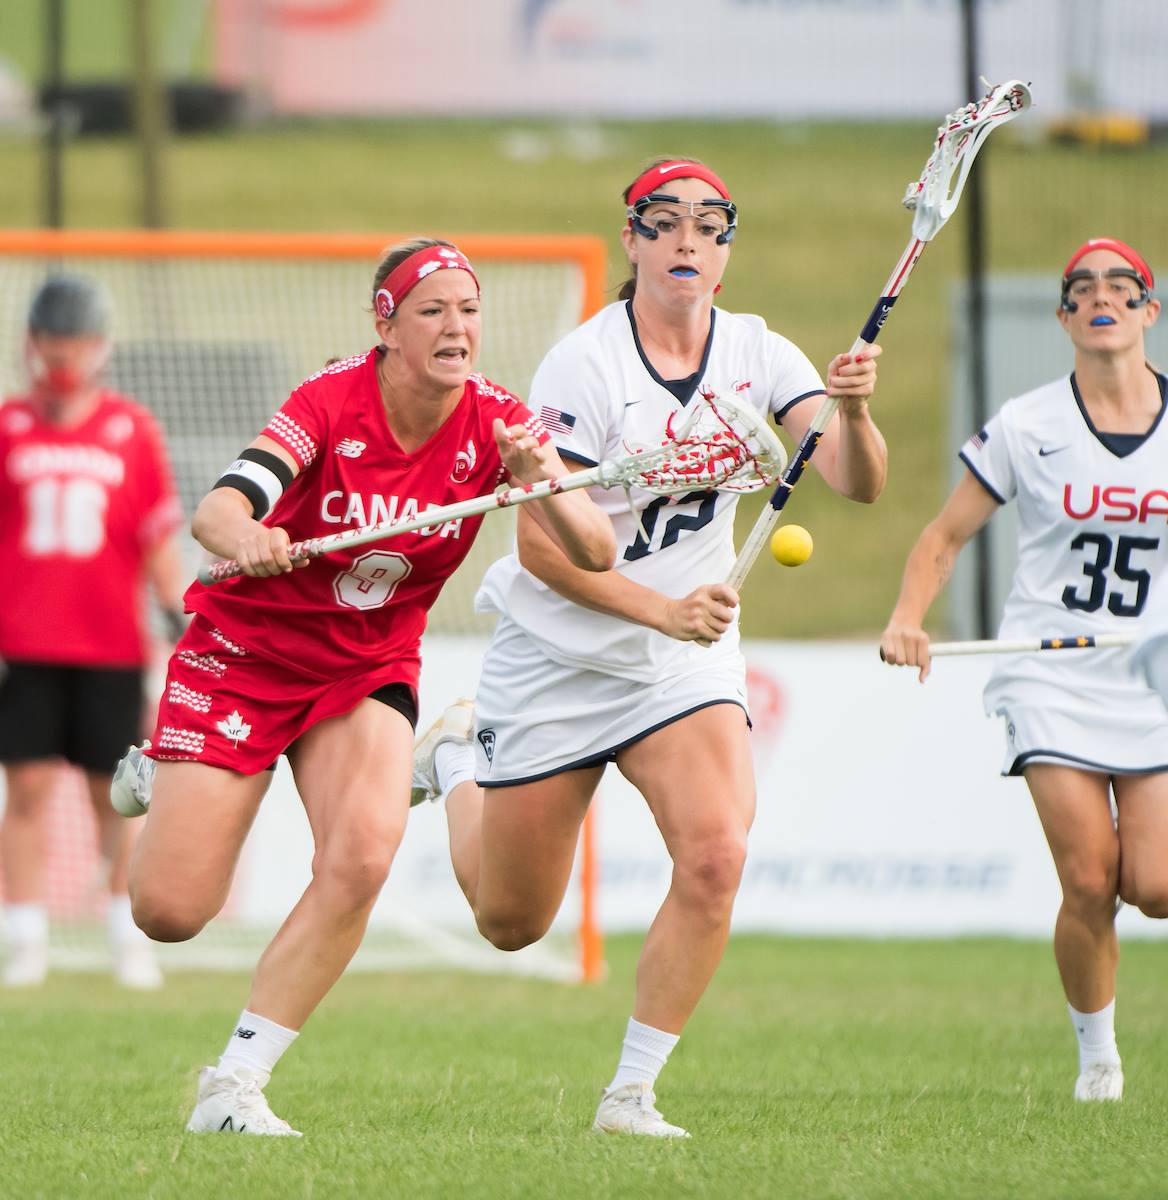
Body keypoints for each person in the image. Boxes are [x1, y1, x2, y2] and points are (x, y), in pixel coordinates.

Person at [411, 159, 887, 1137]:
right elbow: (539, 546)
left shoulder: (762, 352)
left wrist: (851, 408)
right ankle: (455, 757)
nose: (685, 240)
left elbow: (857, 481)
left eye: (708, 226)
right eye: (662, 223)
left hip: (682, 665)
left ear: (724, 249)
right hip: (561, 651)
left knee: (715, 855)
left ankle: (631, 1093)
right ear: (630, 241)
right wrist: (650, 609)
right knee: (510, 923)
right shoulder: (583, 366)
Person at [108, 238, 614, 1137]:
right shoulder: (327, 401)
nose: (457, 328)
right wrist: (248, 537)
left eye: (468, 309)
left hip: (364, 668)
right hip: (247, 654)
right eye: (434, 311)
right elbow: (217, 509)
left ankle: (235, 1083)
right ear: (386, 325)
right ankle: (162, 774)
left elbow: (597, 549)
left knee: (362, 858)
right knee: (170, 912)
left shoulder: (501, 420)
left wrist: (541, 480)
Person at [880, 238, 1168, 1103]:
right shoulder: (1028, 423)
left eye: (1123, 287)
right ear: (1064, 318)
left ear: (1149, 312)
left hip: (1151, 677)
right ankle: (1098, 1061)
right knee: (1088, 880)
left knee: (1153, 886)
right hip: (1049, 676)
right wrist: (906, 619)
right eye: (1082, 289)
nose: (1102, 298)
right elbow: (943, 539)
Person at [0, 274, 185, 991]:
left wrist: (179, 610)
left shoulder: (132, 429)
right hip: (24, 644)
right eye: (51, 341)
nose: (61, 356)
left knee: (115, 798)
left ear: (97, 346)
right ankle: (26, 939)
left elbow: (157, 534)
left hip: (110, 642)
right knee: (28, 793)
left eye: (73, 341)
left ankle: (124, 937)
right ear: (32, 345)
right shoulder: (10, 426)